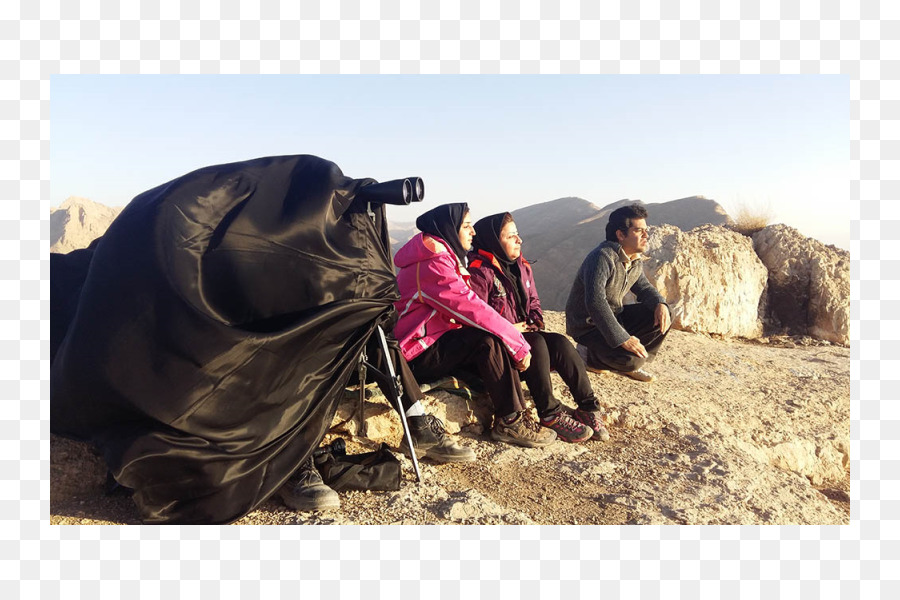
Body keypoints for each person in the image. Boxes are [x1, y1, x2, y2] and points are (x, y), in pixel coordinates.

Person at [392, 203, 557, 448]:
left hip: (436, 343)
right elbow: (471, 308)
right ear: (450, 229)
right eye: (467, 226)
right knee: (486, 340)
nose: (473, 232)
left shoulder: (445, 258)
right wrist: (517, 342)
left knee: (491, 337)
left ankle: (515, 414)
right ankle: (510, 421)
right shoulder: (432, 264)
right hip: (415, 354)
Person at [467, 212, 610, 442]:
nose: (519, 240)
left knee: (560, 343)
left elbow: (533, 300)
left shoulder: (521, 266)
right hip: (499, 350)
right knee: (536, 343)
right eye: (511, 236)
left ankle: (588, 406)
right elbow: (476, 317)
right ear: (494, 241)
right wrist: (511, 329)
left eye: (518, 234)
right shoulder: (479, 272)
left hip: (524, 339)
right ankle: (549, 413)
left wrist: (535, 320)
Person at [565, 203, 672, 382]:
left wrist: (660, 304)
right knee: (633, 360)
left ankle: (627, 360)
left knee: (663, 311)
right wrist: (624, 339)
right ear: (621, 234)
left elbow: (644, 289)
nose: (646, 235)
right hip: (588, 327)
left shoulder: (633, 260)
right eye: (639, 231)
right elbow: (595, 302)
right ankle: (589, 355)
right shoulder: (602, 257)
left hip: (614, 318)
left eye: (646, 230)